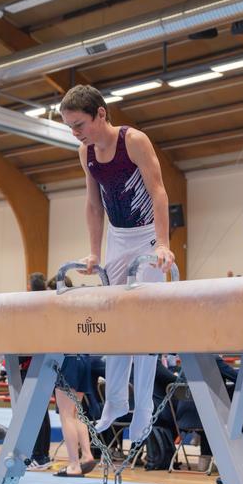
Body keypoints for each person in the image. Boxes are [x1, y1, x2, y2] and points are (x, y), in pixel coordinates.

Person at [60, 84, 175, 442]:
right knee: (116, 322)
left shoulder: (134, 141)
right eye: (70, 128)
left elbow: (158, 190)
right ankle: (116, 401)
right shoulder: (86, 153)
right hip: (118, 238)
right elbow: (94, 204)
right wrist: (95, 252)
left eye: (79, 125)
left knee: (144, 327)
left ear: (101, 114)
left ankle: (143, 407)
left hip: (148, 237)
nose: (76, 133)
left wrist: (165, 244)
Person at [23, 272, 53, 470]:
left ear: (28, 288)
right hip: (44, 364)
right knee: (41, 412)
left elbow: (29, 339)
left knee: (35, 413)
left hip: (34, 365)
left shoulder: (31, 309)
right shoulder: (47, 306)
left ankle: (39, 455)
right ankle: (42, 455)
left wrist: (20, 360)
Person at [54, 355, 97, 477]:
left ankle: (74, 465)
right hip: (84, 358)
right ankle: (86, 454)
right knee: (76, 413)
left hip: (68, 359)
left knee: (66, 414)